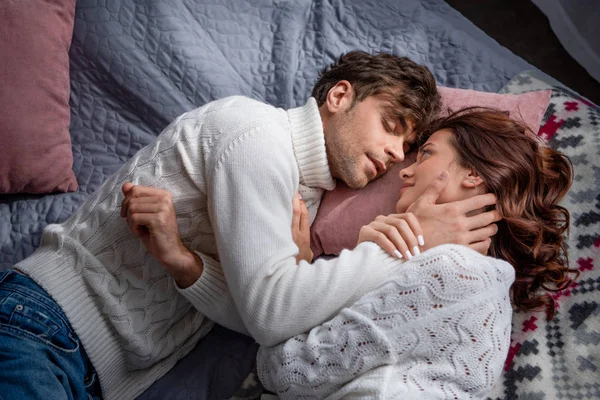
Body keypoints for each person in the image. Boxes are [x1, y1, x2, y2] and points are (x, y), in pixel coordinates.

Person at [0, 51, 498, 400]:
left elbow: (257, 320)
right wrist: (407, 245)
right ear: (340, 95)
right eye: (391, 126)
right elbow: (271, 314)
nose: (395, 157)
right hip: (42, 328)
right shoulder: (256, 136)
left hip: (91, 370)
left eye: (408, 150)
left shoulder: (307, 196)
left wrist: (187, 265)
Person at [257, 108, 578, 399]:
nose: (405, 173)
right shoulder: (486, 291)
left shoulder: (453, 271)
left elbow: (285, 373)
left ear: (474, 174)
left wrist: (305, 266)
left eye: (426, 154)